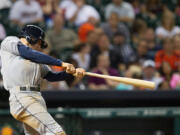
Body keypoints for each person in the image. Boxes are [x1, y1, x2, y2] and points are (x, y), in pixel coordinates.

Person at [0, 25, 85, 135]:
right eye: (39, 42)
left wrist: (71, 73)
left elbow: (51, 76)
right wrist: (61, 63)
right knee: (56, 132)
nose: (40, 46)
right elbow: (27, 53)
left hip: (37, 98)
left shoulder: (36, 60)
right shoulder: (10, 42)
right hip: (22, 96)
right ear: (30, 37)